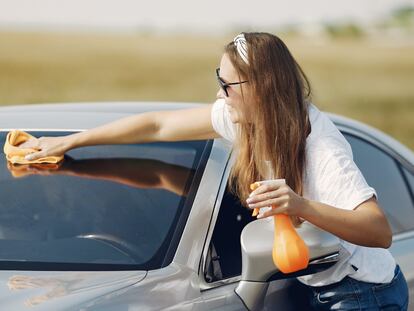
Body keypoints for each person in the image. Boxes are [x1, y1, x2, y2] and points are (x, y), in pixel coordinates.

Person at [19, 32, 408, 310]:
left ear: (261, 88)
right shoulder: (242, 117)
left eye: (228, 84)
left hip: (361, 294)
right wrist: (70, 143)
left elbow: (378, 231)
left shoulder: (320, 146)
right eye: (217, 79)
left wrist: (299, 204)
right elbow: (157, 127)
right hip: (311, 286)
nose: (220, 94)